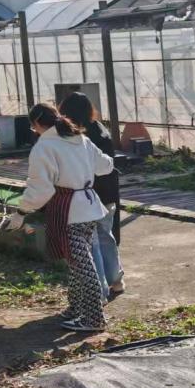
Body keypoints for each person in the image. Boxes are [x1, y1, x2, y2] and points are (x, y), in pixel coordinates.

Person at [7, 103, 114, 332]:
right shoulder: (80, 139)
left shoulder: (44, 147)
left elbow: (41, 190)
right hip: (88, 207)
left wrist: (22, 212)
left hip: (69, 210)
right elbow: (105, 166)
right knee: (76, 262)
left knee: (83, 265)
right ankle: (76, 309)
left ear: (36, 123)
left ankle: (93, 319)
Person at [58, 92, 125, 300]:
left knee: (92, 242)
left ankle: (100, 289)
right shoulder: (99, 128)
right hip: (108, 192)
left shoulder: (75, 135)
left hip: (88, 194)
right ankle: (116, 280)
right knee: (106, 235)